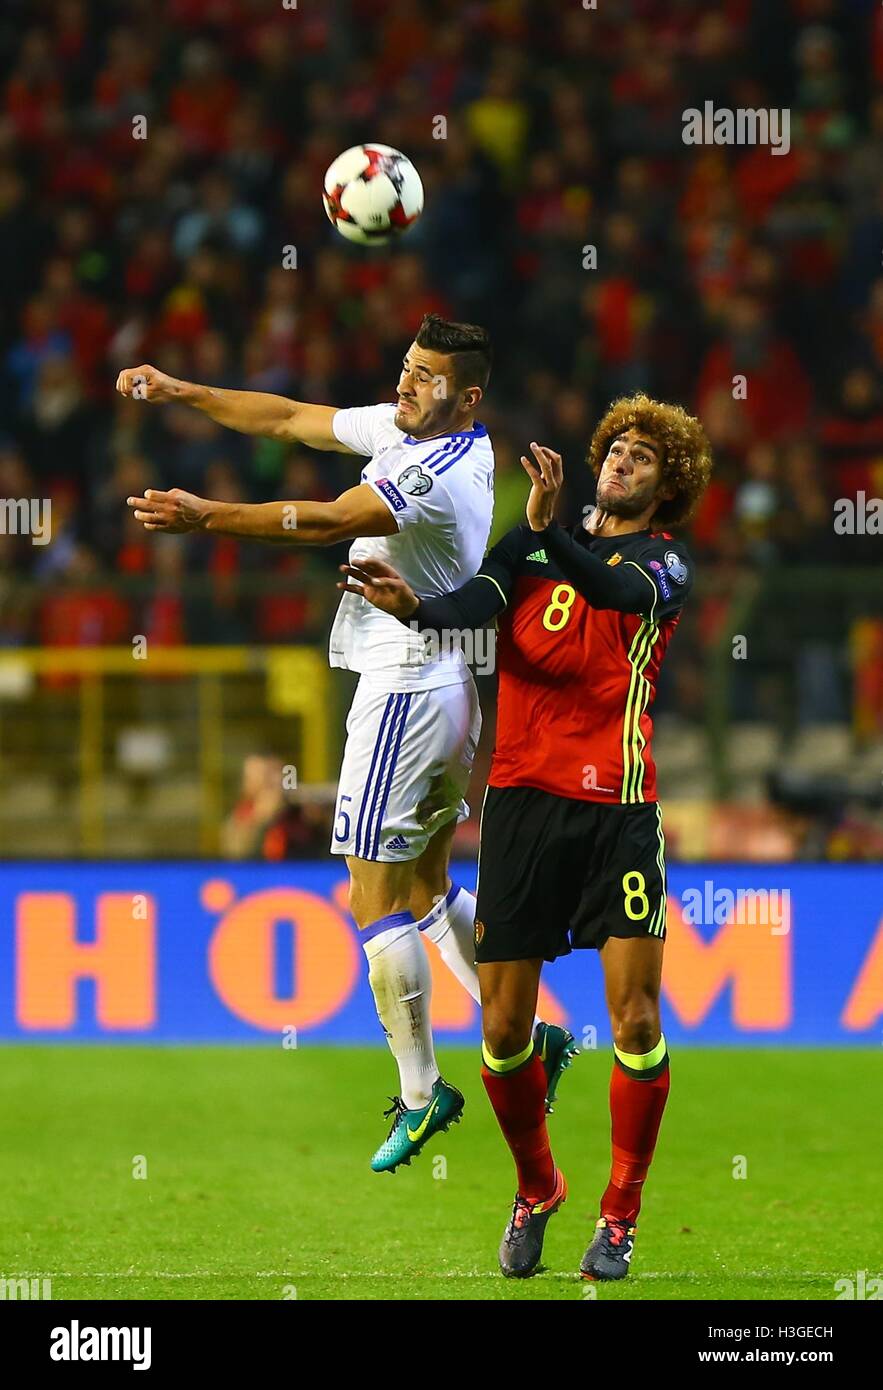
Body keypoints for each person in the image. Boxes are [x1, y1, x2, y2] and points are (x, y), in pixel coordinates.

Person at [117, 313, 575, 1172]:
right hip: (442, 695)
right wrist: (187, 393)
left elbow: (330, 521)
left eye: (425, 375)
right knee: (431, 886)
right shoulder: (414, 431)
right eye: (405, 366)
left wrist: (204, 516)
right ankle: (530, 1031)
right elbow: (291, 418)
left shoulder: (438, 468)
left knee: (373, 902)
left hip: (405, 691)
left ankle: (419, 1092)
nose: (405, 383)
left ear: (466, 397)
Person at [338, 393, 712, 1276]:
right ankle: (537, 1187)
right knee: (504, 1033)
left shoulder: (664, 566)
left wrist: (551, 536)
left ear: (666, 489)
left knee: (634, 1016)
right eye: (614, 449)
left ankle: (618, 1215)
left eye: (641, 460)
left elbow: (611, 587)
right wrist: (412, 609)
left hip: (617, 813)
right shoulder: (535, 543)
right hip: (518, 807)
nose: (620, 463)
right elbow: (477, 598)